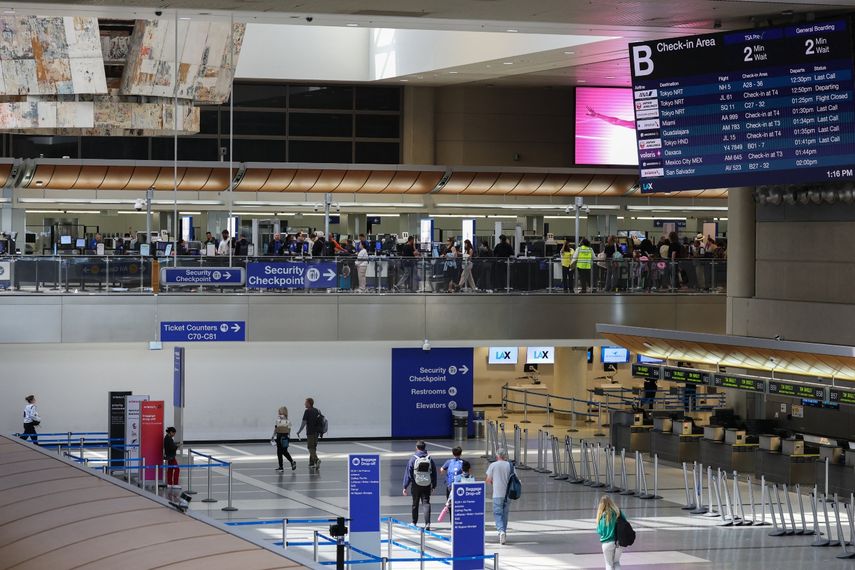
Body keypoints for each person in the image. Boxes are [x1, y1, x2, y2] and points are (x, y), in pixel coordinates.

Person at [402, 441, 437, 529]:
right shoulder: (429, 458)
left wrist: (405, 486)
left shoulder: (413, 458)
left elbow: (408, 473)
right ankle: (427, 523)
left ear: (417, 448)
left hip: (416, 484)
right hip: (427, 484)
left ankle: (414, 522)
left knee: (415, 503)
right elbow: (434, 472)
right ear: (425, 448)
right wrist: (434, 485)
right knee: (426, 503)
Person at [485, 447, 512, 544]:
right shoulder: (510, 465)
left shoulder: (493, 465)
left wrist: (494, 482)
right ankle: (503, 532)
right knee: (505, 514)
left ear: (497, 455)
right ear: (505, 455)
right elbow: (515, 479)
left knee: (497, 513)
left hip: (497, 493)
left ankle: (501, 531)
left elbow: (488, 480)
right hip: (508, 494)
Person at [596, 495, 624, 569]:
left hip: (607, 543)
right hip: (619, 542)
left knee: (609, 564)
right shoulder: (618, 512)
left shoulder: (601, 516)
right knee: (616, 562)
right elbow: (625, 523)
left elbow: (599, 531)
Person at [296, 397, 322, 469]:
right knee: (313, 447)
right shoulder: (316, 410)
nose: (304, 404)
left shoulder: (307, 411)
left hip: (310, 432)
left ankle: (316, 460)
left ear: (309, 403)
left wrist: (299, 431)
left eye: (305, 402)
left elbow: (304, 422)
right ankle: (311, 463)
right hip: (316, 432)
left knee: (310, 447)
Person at [272, 406, 296, 471]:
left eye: (279, 411)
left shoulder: (279, 419)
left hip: (280, 436)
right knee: (283, 451)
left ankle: (282, 466)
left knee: (280, 452)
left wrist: (273, 436)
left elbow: (276, 429)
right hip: (286, 437)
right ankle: (290, 462)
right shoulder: (288, 420)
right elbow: (289, 429)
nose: (278, 413)